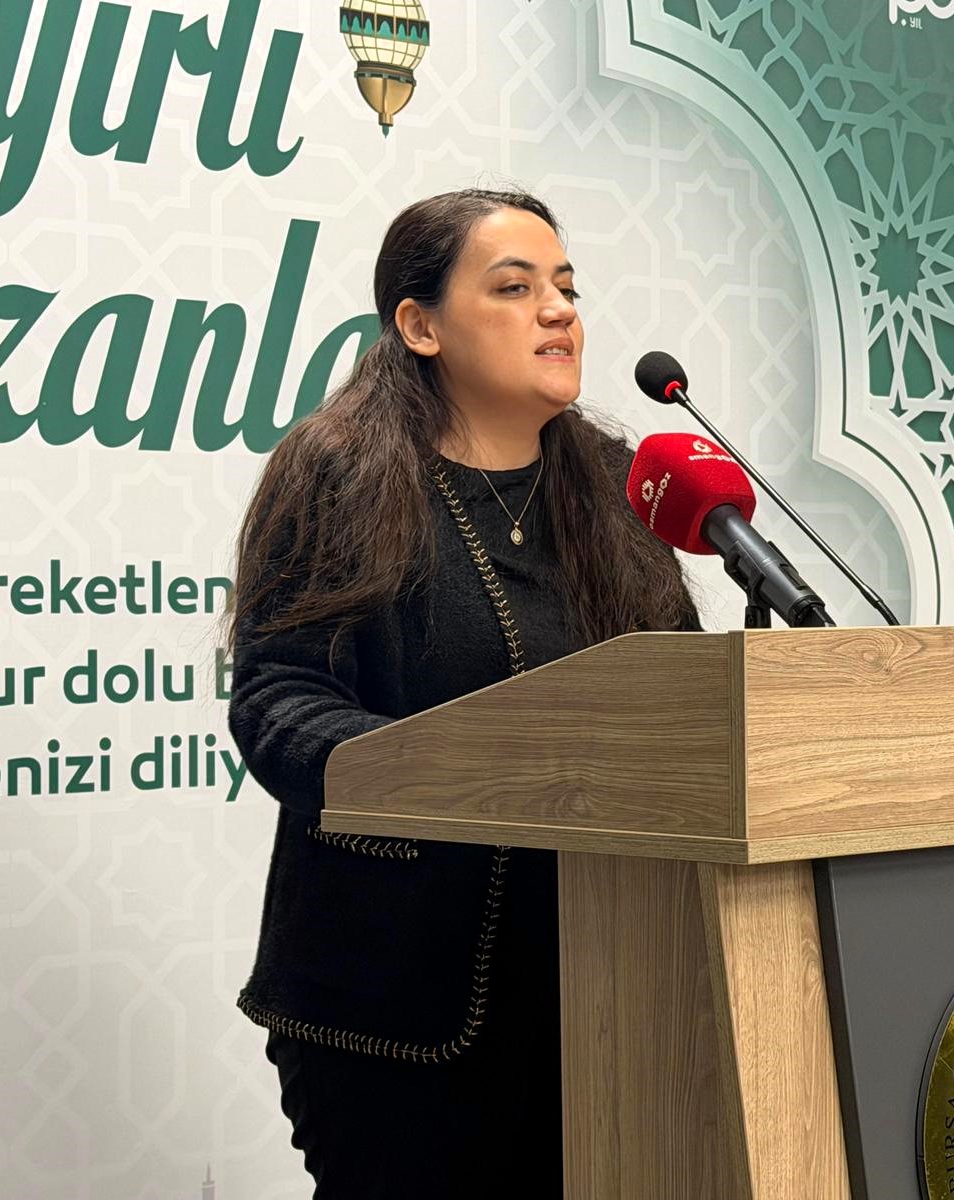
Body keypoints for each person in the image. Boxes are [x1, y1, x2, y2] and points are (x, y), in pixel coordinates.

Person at [224, 187, 701, 1196]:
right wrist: (449, 774)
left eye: (566, 287)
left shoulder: (617, 486)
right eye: (515, 288)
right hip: (396, 1008)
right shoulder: (342, 473)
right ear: (420, 325)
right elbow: (278, 701)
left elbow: (683, 698)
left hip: (606, 989)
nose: (559, 310)